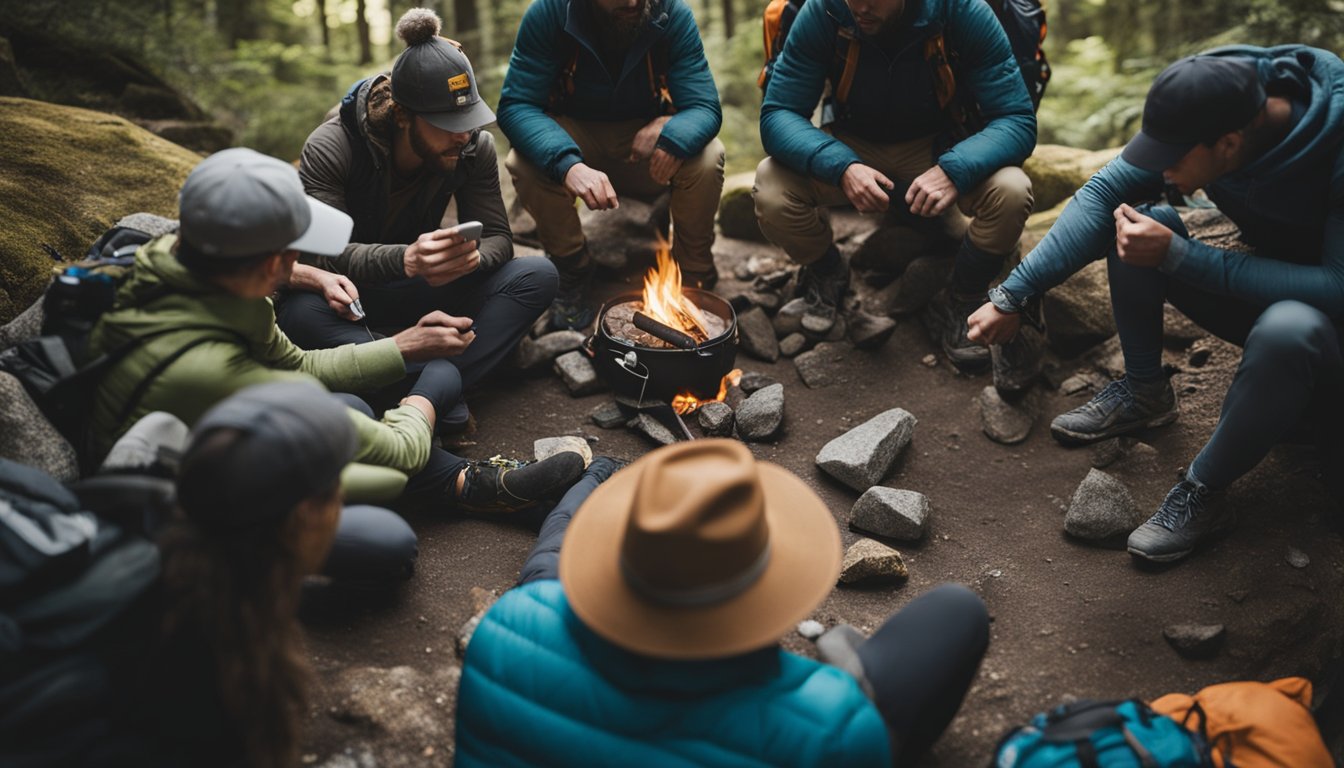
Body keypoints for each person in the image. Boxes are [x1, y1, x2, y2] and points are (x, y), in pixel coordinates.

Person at [966, 46, 1344, 563]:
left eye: (1171, 159)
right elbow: (1103, 192)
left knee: (1287, 328)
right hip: (1283, 288)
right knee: (1142, 223)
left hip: (1326, 322)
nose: (1160, 170)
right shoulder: (1222, 93)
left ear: (1229, 144)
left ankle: (1204, 491)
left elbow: (1336, 285)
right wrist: (1015, 293)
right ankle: (1145, 394)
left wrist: (1182, 258)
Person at [87, 147, 585, 530]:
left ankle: (464, 481)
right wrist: (424, 398)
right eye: (294, 252)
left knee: (357, 406)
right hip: (177, 500)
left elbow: (300, 366)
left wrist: (404, 345)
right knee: (386, 536)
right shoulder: (211, 365)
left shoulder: (184, 269)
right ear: (269, 264)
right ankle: (469, 483)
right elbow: (398, 450)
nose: (301, 261)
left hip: (214, 433)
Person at [455, 439, 990, 767]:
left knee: (548, 561)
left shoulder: (506, 628)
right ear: (767, 591)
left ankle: (594, 477)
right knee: (956, 613)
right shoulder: (833, 725)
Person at [279, 8, 558, 432]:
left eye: (467, 121)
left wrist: (468, 262)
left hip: (424, 288)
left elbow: (499, 237)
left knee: (537, 273)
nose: (462, 135)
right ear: (403, 115)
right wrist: (406, 259)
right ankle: (440, 388)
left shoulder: (472, 148)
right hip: (350, 298)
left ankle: (417, 387)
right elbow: (321, 256)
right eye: (447, 125)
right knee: (299, 314)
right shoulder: (333, 146)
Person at [754, 0, 1035, 369]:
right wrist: (840, 166)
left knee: (1012, 190)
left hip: (939, 148)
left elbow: (1016, 119)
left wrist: (955, 168)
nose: (860, 6)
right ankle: (827, 272)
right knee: (771, 185)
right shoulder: (825, 11)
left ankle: (964, 295)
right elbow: (779, 113)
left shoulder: (962, 10)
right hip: (850, 146)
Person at [133, 383, 388, 767]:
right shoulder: (212, 671)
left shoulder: (196, 562)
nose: (342, 503)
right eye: (336, 489)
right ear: (305, 514)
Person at [496, 0, 725, 330]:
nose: (633, 2)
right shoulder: (550, 13)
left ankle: (693, 273)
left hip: (646, 152)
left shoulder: (670, 12)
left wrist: (671, 132)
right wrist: (567, 163)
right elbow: (517, 106)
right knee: (523, 161)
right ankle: (572, 266)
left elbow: (704, 105)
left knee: (708, 157)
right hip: (577, 144)